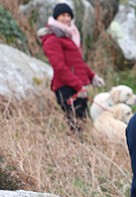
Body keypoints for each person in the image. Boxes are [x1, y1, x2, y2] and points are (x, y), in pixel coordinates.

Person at [38, 2, 104, 131]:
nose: (66, 18)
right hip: (66, 88)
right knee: (76, 126)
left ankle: (81, 143)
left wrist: (92, 77)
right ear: (56, 17)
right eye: (63, 15)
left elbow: (77, 62)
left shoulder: (68, 36)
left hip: (77, 87)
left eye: (69, 15)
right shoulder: (52, 39)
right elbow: (59, 67)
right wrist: (78, 86)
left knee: (82, 124)